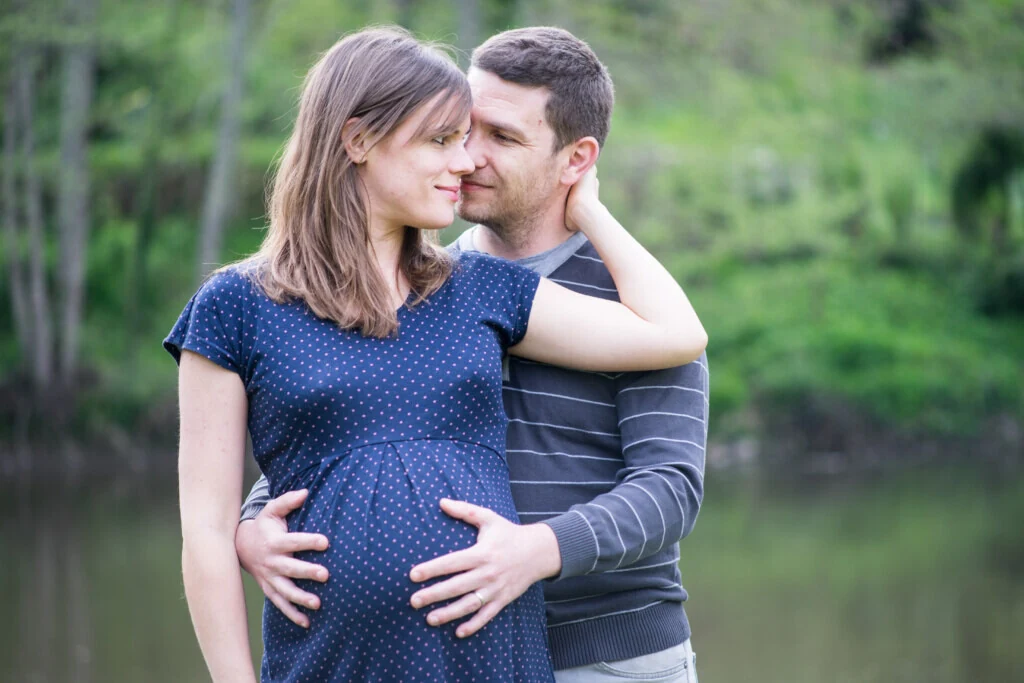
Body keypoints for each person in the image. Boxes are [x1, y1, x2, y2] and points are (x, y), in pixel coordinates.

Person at [166, 26, 706, 683]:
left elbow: (672, 481)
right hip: (358, 658)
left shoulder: (591, 293)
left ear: (575, 158)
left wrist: (591, 211)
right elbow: (344, 435)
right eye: (450, 135)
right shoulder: (413, 285)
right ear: (357, 141)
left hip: (600, 652)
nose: (468, 159)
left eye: (496, 137)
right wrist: (250, 526)